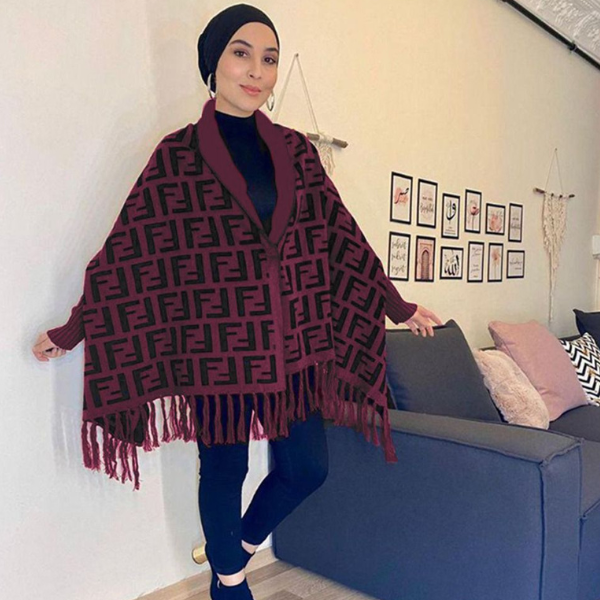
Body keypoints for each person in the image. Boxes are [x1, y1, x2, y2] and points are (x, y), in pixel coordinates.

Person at [33, 4, 441, 599]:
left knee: (308, 467)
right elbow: (129, 250)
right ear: (214, 63)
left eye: (269, 59)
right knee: (225, 469)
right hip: (217, 347)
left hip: (294, 344)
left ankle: (237, 546)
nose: (256, 70)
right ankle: (229, 583)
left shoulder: (297, 151)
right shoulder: (176, 155)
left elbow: (340, 235)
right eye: (241, 53)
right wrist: (74, 329)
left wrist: (396, 305)